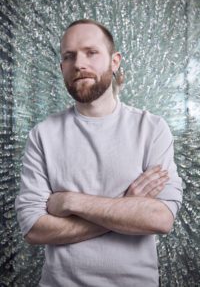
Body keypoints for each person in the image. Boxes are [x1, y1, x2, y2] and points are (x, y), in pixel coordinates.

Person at [15, 19, 183, 287]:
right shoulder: (43, 134)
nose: (79, 63)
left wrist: (71, 202)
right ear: (62, 68)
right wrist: (128, 204)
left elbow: (161, 218)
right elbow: (33, 227)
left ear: (114, 61)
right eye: (69, 56)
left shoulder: (151, 128)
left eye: (91, 52)